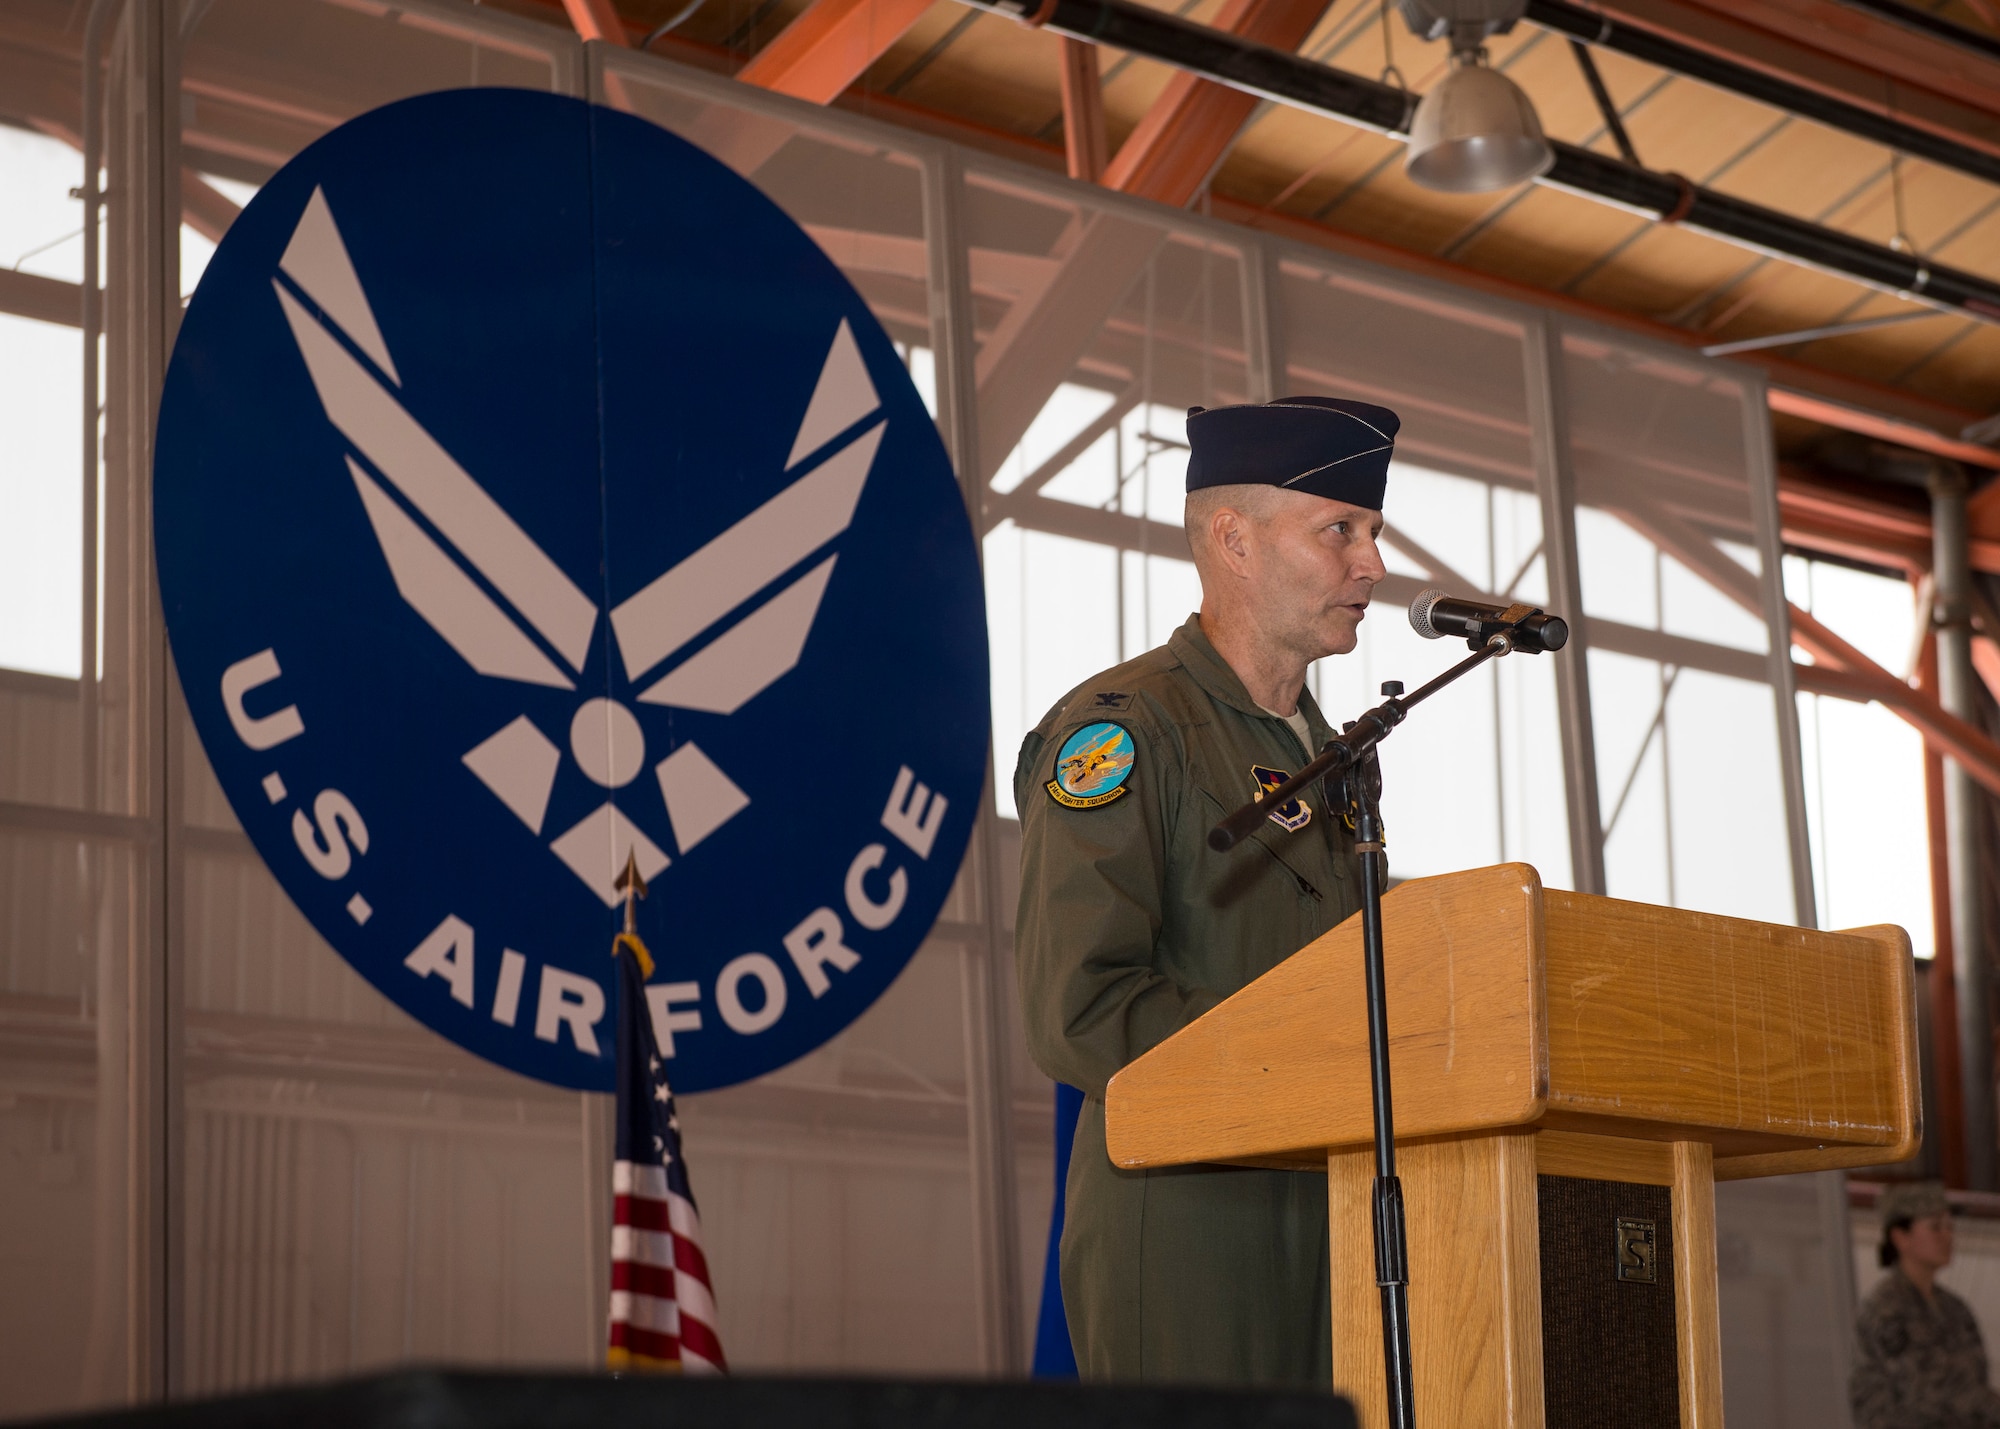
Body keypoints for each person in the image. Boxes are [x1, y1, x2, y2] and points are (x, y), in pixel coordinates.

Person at [1013, 395, 1397, 1387]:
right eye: (1339, 531)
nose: (1371, 567)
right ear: (1233, 538)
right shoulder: (1123, 733)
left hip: (1335, 1216)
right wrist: (1297, 1063)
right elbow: (1080, 1007)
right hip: (1188, 1226)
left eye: (1372, 534)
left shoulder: (1332, 758)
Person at [1851, 1181, 2000, 1429]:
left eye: (1949, 1227)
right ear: (1901, 1238)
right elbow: (1926, 1393)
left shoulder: (1953, 1307)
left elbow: (1975, 1379)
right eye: (1935, 1227)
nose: (1948, 1236)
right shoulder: (1887, 1309)